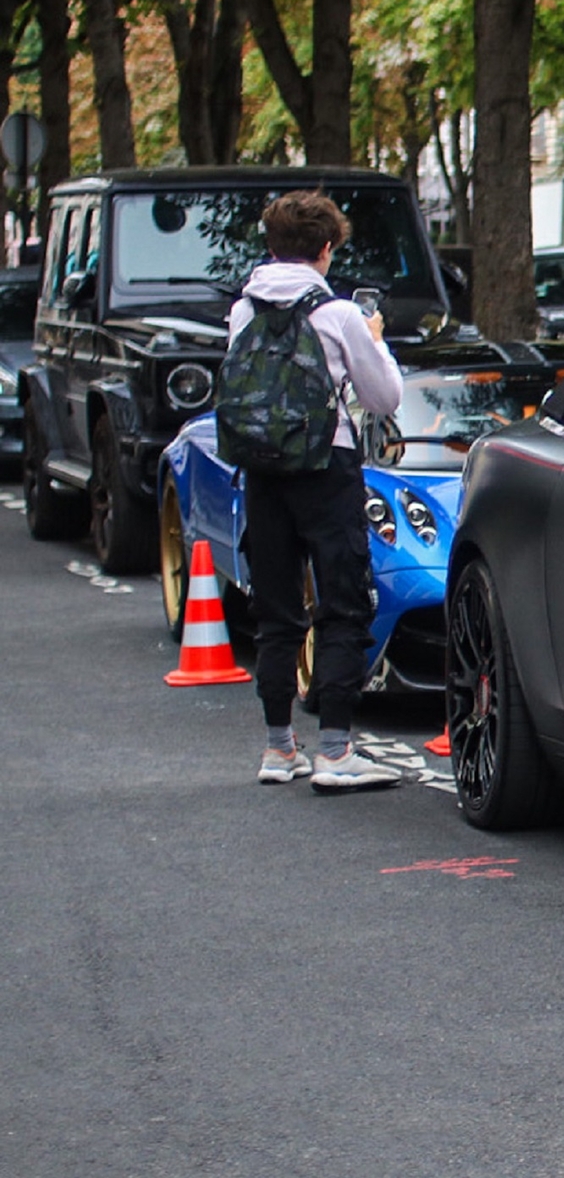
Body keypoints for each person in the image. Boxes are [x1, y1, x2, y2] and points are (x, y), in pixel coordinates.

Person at [223, 191, 406, 790]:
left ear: (271, 245)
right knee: (342, 603)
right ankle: (335, 748)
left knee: (275, 611)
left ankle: (279, 749)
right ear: (326, 249)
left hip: (263, 472)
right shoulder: (338, 315)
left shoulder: (243, 311)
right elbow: (385, 398)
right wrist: (374, 338)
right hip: (327, 469)